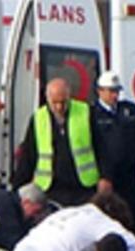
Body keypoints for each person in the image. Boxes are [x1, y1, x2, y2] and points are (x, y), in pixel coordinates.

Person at [12, 77, 111, 206]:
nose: (59, 107)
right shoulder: (38, 118)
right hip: (51, 189)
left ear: (69, 96)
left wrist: (106, 177)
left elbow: (102, 148)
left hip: (84, 187)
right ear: (47, 99)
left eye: (63, 102)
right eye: (55, 103)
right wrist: (17, 191)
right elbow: (28, 157)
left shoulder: (85, 113)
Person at [92, 71, 135, 227]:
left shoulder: (129, 110)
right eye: (110, 91)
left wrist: (132, 154)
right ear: (100, 91)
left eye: (116, 91)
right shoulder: (92, 114)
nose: (114, 95)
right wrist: (103, 174)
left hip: (129, 173)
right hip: (107, 176)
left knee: (132, 212)